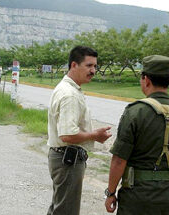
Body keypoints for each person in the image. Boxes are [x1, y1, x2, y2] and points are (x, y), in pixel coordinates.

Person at [104, 55, 169, 215]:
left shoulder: (135, 113)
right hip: (168, 196)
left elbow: (119, 160)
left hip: (136, 196)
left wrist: (111, 193)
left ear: (146, 80)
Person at [47, 45, 112, 215]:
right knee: (65, 210)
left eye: (95, 66)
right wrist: (95, 135)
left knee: (59, 207)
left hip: (64, 158)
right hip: (67, 159)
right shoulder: (70, 95)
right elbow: (67, 135)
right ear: (74, 65)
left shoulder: (69, 89)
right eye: (89, 66)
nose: (93, 70)